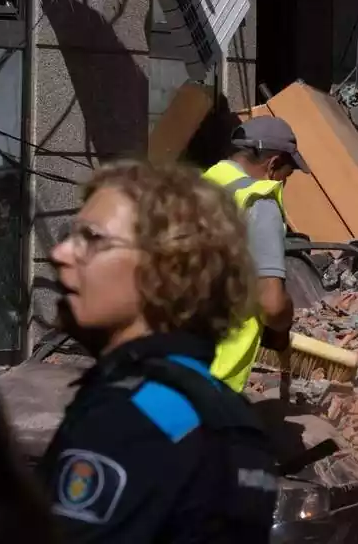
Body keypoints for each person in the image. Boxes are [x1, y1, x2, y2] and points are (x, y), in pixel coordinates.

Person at [40, 161, 278, 542]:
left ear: (167, 268)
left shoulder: (130, 416)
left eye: (92, 238)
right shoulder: (238, 422)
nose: (60, 253)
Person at [204, 117, 307, 391]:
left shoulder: (197, 188)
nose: (284, 183)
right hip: (213, 379)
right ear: (273, 164)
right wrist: (282, 327)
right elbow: (271, 304)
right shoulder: (258, 201)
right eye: (287, 175)